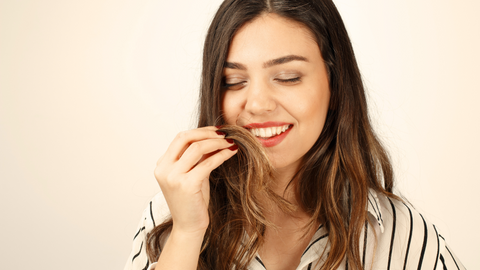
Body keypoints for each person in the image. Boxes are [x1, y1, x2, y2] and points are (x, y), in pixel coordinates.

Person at [124, 0, 465, 269]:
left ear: (335, 86)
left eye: (287, 77)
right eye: (233, 81)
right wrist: (187, 233)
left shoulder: (401, 232)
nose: (256, 104)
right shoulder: (172, 215)